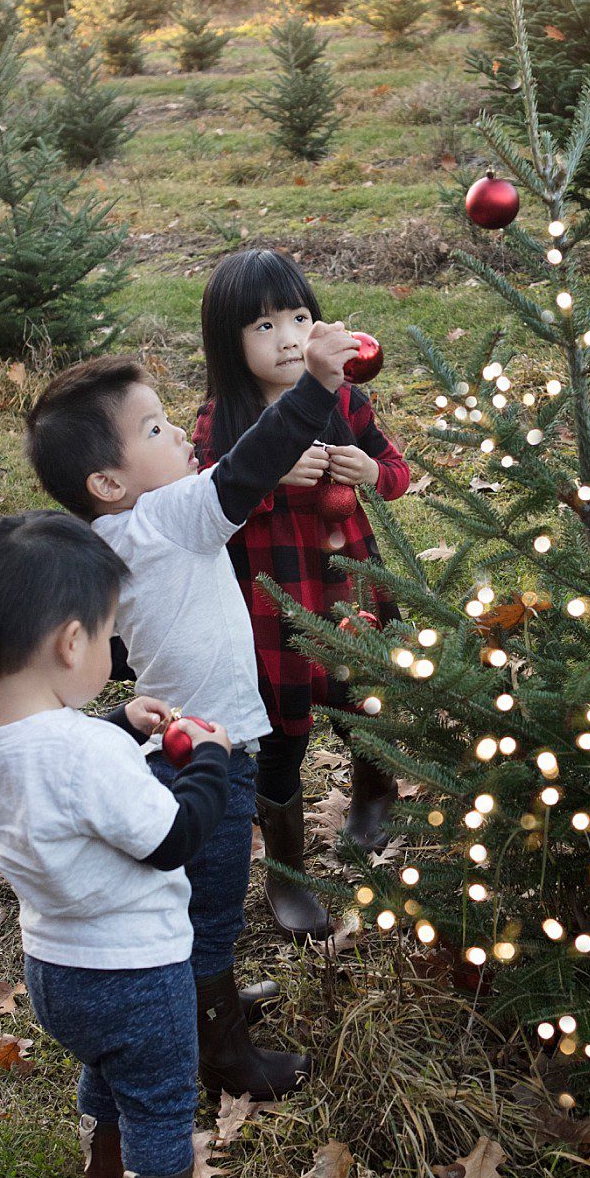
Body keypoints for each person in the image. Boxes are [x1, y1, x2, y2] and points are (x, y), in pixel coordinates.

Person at [23, 315, 359, 1091]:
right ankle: (222, 1049)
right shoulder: (168, 517)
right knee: (210, 907)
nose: (178, 435)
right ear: (107, 483)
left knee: (195, 894)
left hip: (168, 744)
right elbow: (252, 467)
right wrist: (316, 385)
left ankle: (208, 1001)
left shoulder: (111, 536)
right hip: (210, 750)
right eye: (153, 428)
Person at [0, 509, 237, 1178]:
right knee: (159, 1097)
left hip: (55, 972)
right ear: (71, 644)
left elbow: (57, 787)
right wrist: (208, 763)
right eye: (110, 637)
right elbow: (172, 837)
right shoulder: (85, 753)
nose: (114, 654)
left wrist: (120, 725)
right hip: (135, 974)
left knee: (105, 1078)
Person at [195, 249, 411, 942]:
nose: (288, 337)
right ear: (229, 345)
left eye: (297, 317)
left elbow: (397, 470)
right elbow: (205, 510)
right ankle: (287, 872)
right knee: (281, 734)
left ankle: (373, 794)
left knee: (364, 700)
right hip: (267, 602)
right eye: (262, 326)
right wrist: (266, 478)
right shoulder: (219, 422)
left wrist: (371, 470)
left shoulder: (345, 398)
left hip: (344, 586)